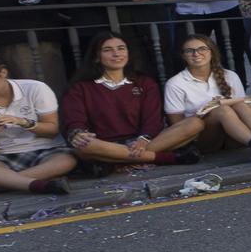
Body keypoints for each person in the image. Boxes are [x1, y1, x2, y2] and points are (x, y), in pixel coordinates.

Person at [61, 33, 205, 170]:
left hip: (143, 142)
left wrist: (144, 139)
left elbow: (153, 119)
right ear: (96, 57)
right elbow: (75, 121)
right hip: (104, 144)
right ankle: (163, 157)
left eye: (121, 48)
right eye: (107, 50)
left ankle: (114, 161)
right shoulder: (80, 87)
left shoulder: (145, 82)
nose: (116, 54)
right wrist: (78, 133)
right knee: (84, 146)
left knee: (195, 123)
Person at [0, 52, 75, 198]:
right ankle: (38, 183)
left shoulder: (35, 88)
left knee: (66, 161)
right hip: (3, 158)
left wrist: (24, 122)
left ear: (3, 72)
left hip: (47, 150)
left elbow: (52, 131)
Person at [163, 33, 251, 162]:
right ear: (183, 56)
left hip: (234, 138)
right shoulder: (175, 83)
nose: (196, 54)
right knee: (222, 110)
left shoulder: (230, 76)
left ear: (212, 52)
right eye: (190, 51)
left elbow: (244, 110)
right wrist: (206, 112)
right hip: (204, 140)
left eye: (202, 49)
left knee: (240, 105)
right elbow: (177, 126)